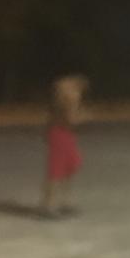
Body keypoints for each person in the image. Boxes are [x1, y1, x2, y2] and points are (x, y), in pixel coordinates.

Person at [41, 74, 87, 218]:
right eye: (76, 89)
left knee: (70, 166)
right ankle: (49, 205)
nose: (78, 92)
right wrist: (83, 116)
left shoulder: (63, 101)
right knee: (56, 171)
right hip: (60, 135)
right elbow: (71, 120)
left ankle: (63, 202)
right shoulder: (67, 102)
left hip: (65, 135)